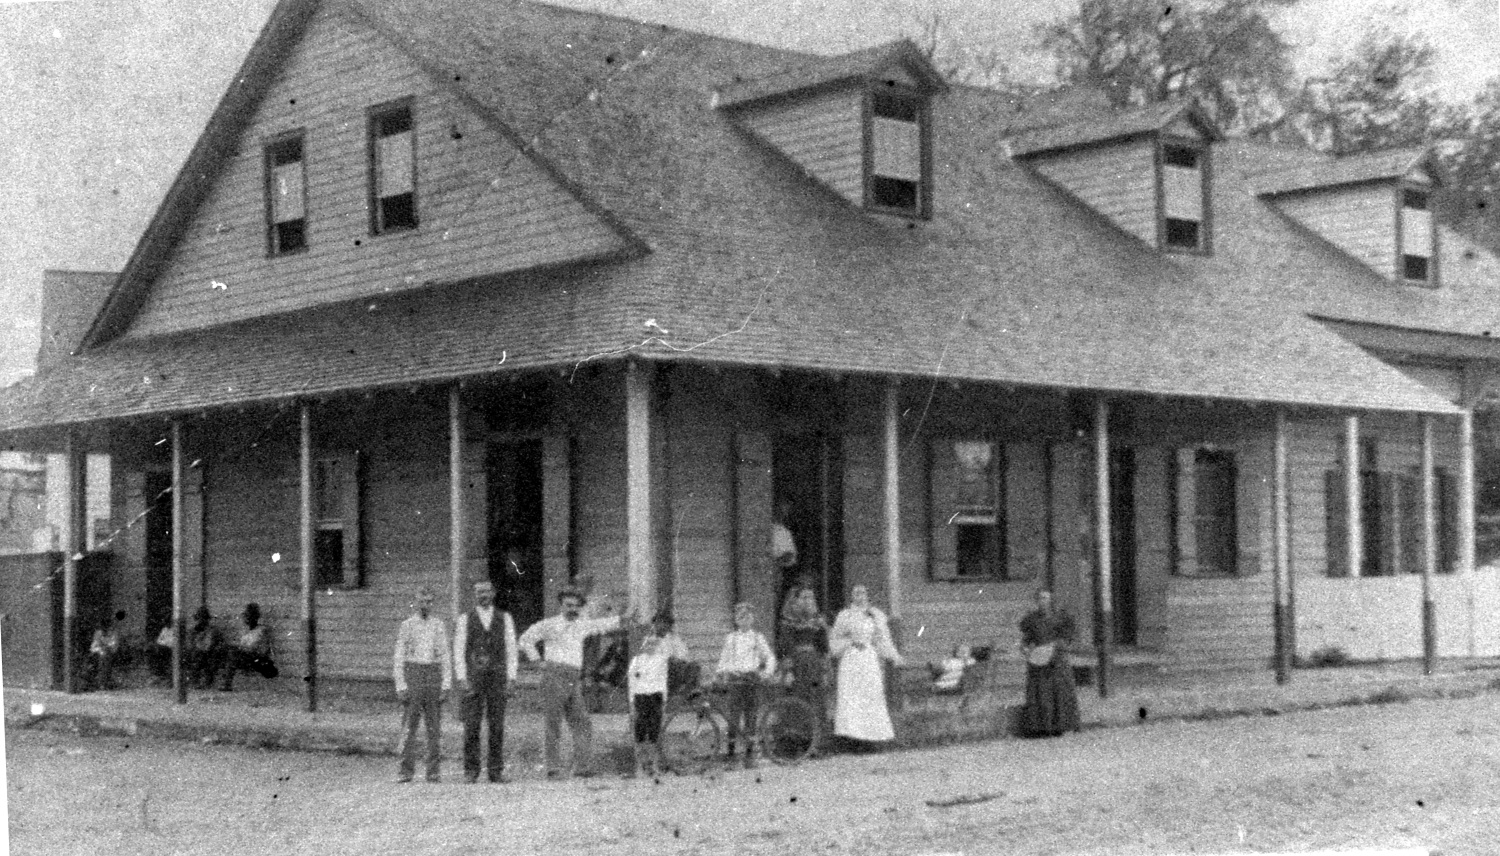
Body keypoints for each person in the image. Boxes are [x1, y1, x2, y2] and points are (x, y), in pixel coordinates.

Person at [518, 586, 630, 778]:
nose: (572, 609)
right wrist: (537, 662)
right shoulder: (549, 624)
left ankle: (582, 767)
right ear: (560, 606)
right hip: (554, 675)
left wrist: (622, 619)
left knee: (582, 722)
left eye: (576, 606)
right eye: (568, 605)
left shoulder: (581, 625)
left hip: (573, 677)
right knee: (553, 723)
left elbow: (600, 625)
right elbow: (525, 640)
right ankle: (552, 768)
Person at [453, 580, 518, 784]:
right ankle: (471, 771)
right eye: (479, 592)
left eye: (487, 591)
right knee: (472, 725)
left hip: (497, 677)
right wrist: (462, 678)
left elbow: (511, 649)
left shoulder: (505, 618)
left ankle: (495, 771)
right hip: (474, 677)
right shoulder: (465, 619)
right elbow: (459, 650)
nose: (483, 595)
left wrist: (511, 678)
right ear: (474, 595)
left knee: (497, 725)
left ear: (493, 593)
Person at [830, 584, 903, 744]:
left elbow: (882, 639)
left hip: (868, 659)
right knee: (851, 697)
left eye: (862, 592)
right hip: (851, 658)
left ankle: (870, 739)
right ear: (851, 596)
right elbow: (835, 639)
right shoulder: (845, 615)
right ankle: (852, 738)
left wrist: (893, 655)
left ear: (867, 595)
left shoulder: (875, 615)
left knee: (870, 694)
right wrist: (850, 642)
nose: (859, 596)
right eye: (856, 593)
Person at [393, 587, 453, 783]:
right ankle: (405, 770)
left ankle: (433, 771)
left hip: (433, 674)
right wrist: (401, 685)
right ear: (415, 603)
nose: (424, 605)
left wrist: (446, 684)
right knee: (409, 725)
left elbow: (445, 654)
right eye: (421, 602)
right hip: (413, 673)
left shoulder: (438, 625)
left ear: (432, 604)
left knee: (434, 727)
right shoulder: (407, 625)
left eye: (428, 602)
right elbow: (399, 656)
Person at [714, 602, 777, 768]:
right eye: (741, 617)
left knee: (751, 716)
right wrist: (724, 671)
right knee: (733, 718)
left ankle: (750, 755)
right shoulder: (731, 638)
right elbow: (724, 660)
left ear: (752, 619)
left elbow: (769, 657)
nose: (745, 620)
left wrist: (766, 673)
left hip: (751, 680)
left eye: (748, 617)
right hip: (736, 680)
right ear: (736, 620)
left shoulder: (757, 638)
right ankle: (731, 754)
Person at [1018, 589, 1080, 738]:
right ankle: (1041, 727)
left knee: (1059, 692)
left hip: (1057, 660)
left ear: (1051, 600)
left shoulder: (1061, 618)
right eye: (1040, 598)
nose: (1043, 601)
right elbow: (1027, 639)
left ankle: (1061, 726)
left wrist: (1054, 647)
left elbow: (1067, 638)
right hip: (1039, 661)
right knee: (1040, 693)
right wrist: (1025, 648)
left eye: (1046, 598)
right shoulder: (1032, 619)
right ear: (1036, 601)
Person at [626, 629, 670, 778]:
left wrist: (664, 700)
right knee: (640, 729)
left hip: (656, 696)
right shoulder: (637, 661)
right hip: (641, 696)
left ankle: (653, 764)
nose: (650, 647)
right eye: (648, 644)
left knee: (654, 729)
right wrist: (631, 701)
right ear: (643, 645)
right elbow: (631, 681)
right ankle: (640, 764)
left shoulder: (661, 661)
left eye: (653, 644)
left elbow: (663, 680)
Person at [778, 584, 829, 712]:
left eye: (811, 597)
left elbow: (823, 647)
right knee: (796, 696)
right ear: (796, 600)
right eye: (804, 597)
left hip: (814, 664)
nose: (808, 601)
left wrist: (824, 670)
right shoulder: (789, 622)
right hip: (796, 664)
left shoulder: (818, 621)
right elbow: (785, 647)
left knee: (816, 696)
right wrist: (788, 671)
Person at [220, 603, 276, 691]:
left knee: (233, 653)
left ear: (256, 617)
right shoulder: (245, 631)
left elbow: (263, 650)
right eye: (246, 616)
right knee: (226, 650)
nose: (247, 619)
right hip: (246, 656)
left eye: (250, 616)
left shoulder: (262, 630)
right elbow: (242, 645)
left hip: (258, 659)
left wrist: (243, 649)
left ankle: (227, 683)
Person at [185, 606, 225, 689]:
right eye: (199, 618)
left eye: (204, 618)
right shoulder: (192, 631)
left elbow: (214, 644)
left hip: (210, 652)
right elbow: (189, 644)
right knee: (195, 655)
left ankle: (206, 681)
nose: (201, 620)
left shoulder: (213, 630)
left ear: (207, 619)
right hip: (196, 652)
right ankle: (195, 681)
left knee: (205, 656)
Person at [771, 501, 799, 609]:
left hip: (777, 570)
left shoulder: (784, 532)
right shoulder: (767, 529)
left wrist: (778, 561)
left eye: (785, 512)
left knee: (775, 599)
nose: (783, 514)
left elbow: (790, 556)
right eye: (780, 511)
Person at [87, 611, 124, 691]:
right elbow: (93, 646)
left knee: (105, 658)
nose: (105, 630)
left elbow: (114, 646)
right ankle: (101, 681)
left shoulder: (114, 633)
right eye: (103, 627)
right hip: (98, 654)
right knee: (102, 658)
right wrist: (100, 649)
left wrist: (105, 648)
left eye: (107, 627)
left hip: (111, 654)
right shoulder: (98, 633)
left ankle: (104, 681)